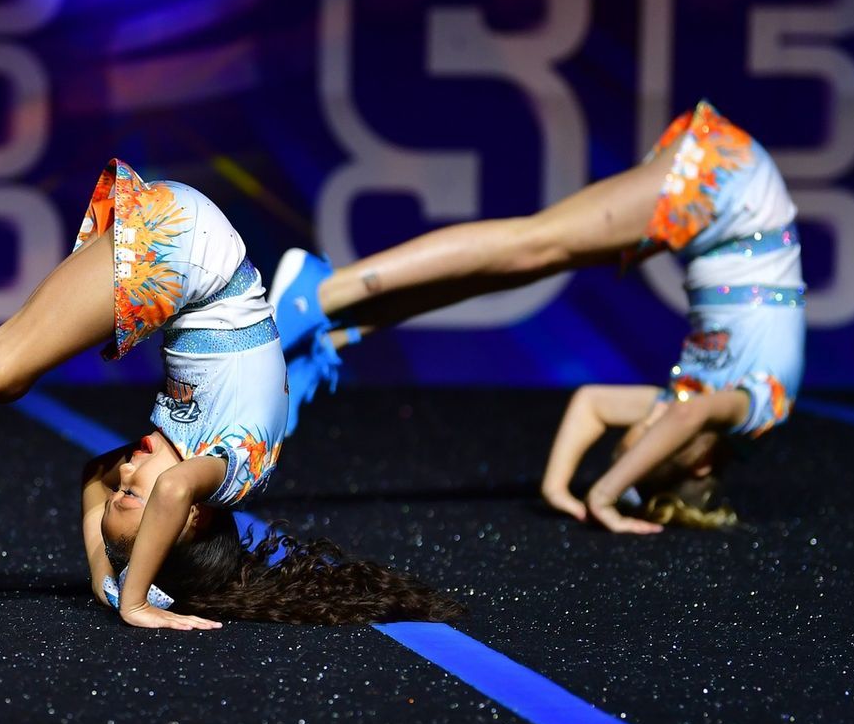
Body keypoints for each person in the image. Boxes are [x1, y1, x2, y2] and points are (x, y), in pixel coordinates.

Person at [0, 158, 461, 628]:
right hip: (191, 256)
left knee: (4, 367)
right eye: (140, 496)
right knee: (2, 368)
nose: (127, 470)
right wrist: (132, 602)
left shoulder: (174, 467)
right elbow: (169, 490)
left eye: (124, 490)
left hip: (190, 252)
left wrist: (103, 577)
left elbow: (92, 478)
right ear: (189, 521)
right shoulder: (236, 476)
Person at [272, 101, 804, 531]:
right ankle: (319, 293)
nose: (647, 427)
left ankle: (333, 334)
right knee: (533, 243)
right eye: (647, 442)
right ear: (701, 461)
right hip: (734, 189)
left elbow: (592, 404)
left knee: (517, 268)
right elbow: (683, 420)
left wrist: (557, 485)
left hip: (720, 216)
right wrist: (604, 495)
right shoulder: (756, 410)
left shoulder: (686, 404)